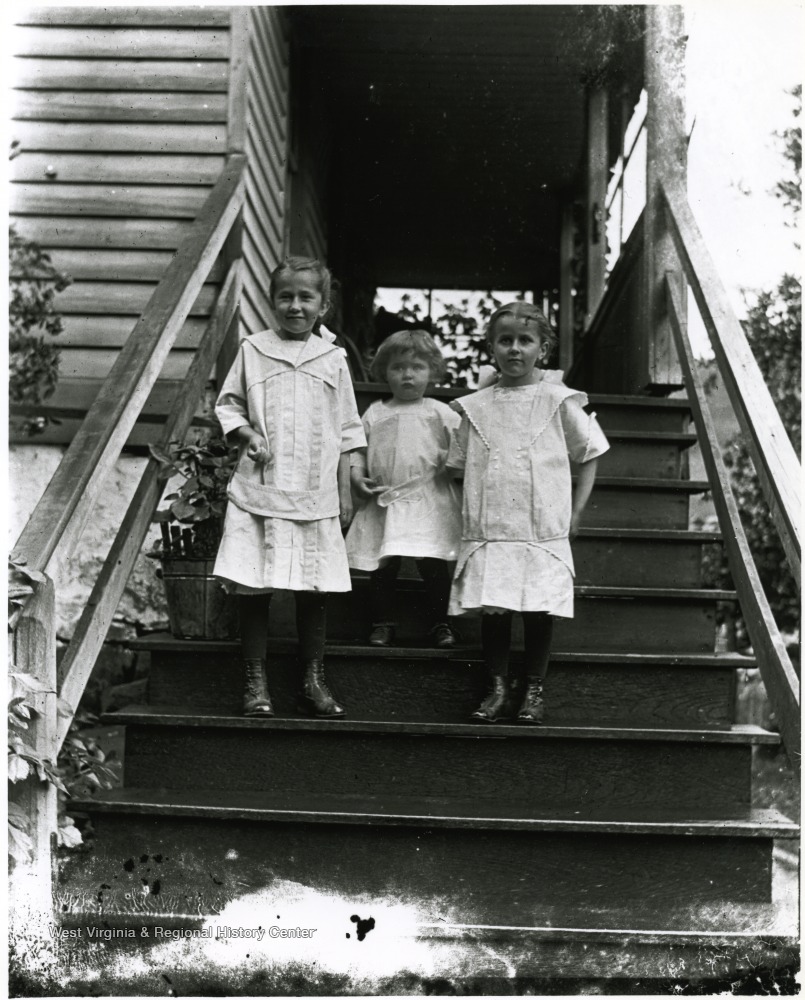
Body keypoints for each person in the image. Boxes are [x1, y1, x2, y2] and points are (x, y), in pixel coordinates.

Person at [214, 256, 366, 719]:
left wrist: (345, 490)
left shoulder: (333, 358)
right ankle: (255, 682)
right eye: (285, 297)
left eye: (306, 297)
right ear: (271, 301)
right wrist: (249, 435)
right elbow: (229, 404)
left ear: (323, 306)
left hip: (315, 492)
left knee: (314, 587)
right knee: (255, 584)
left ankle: (312, 681)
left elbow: (348, 427)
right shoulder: (253, 350)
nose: (295, 306)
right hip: (262, 487)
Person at [446, 302, 609, 723]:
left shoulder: (557, 400)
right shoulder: (476, 406)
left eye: (525, 340)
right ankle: (497, 688)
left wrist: (576, 512)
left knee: (538, 608)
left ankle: (534, 689)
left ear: (543, 348)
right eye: (505, 340)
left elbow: (590, 451)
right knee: (495, 609)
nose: (515, 349)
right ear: (492, 347)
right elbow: (457, 468)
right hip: (493, 526)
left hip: (540, 526)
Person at [346, 329, 462, 648]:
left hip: (428, 498)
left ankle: (442, 622)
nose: (407, 375)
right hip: (385, 498)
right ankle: (383, 622)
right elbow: (357, 449)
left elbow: (463, 449)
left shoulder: (440, 412)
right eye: (398, 367)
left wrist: (452, 463)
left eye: (417, 367)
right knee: (383, 563)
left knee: (432, 561)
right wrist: (357, 475)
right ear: (385, 371)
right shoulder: (376, 412)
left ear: (432, 371)